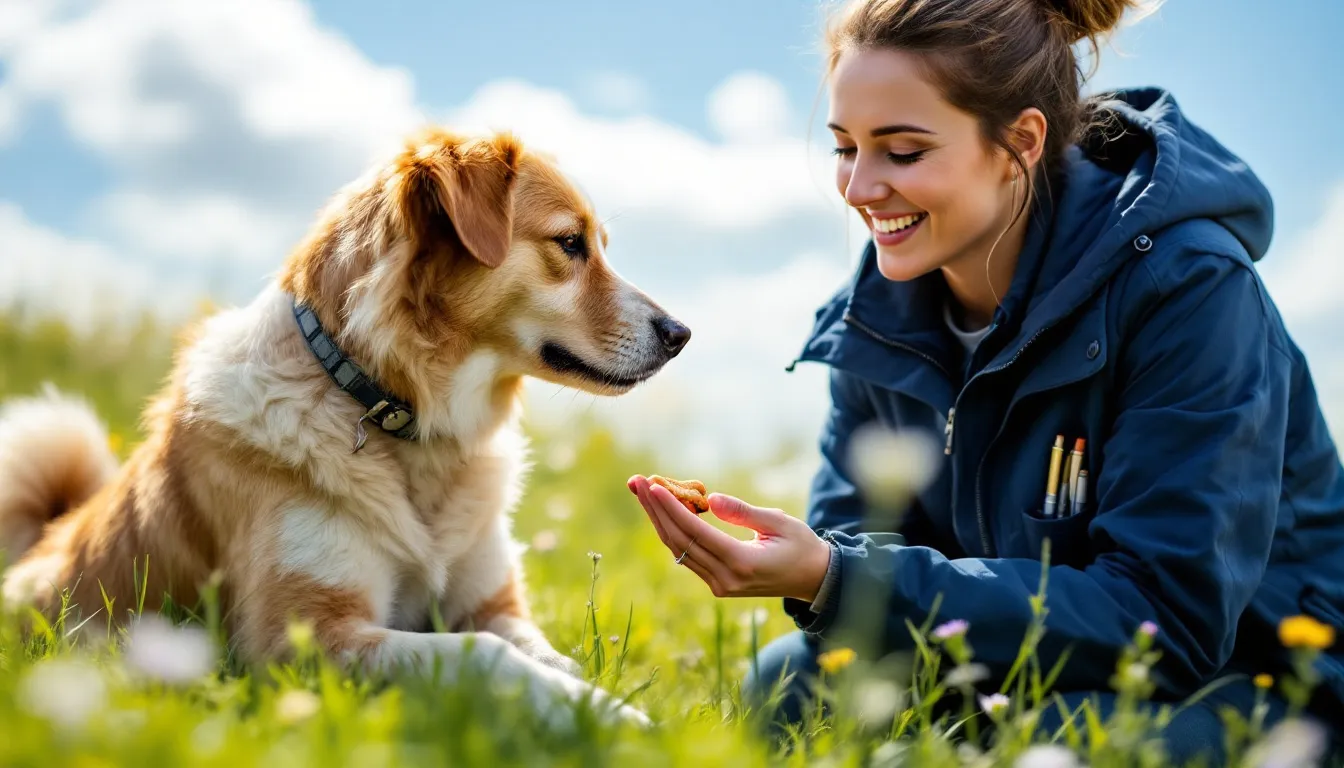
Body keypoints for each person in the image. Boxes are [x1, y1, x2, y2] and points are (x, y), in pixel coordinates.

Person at [627, 0, 1344, 761]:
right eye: (845, 148)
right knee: (787, 685)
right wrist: (822, 578)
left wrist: (839, 575)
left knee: (1055, 745)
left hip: (1253, 678)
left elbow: (1168, 620)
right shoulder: (876, 318)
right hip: (1014, 660)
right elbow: (862, 554)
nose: (859, 187)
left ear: (1019, 143)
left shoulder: (1190, 290)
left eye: (901, 153)